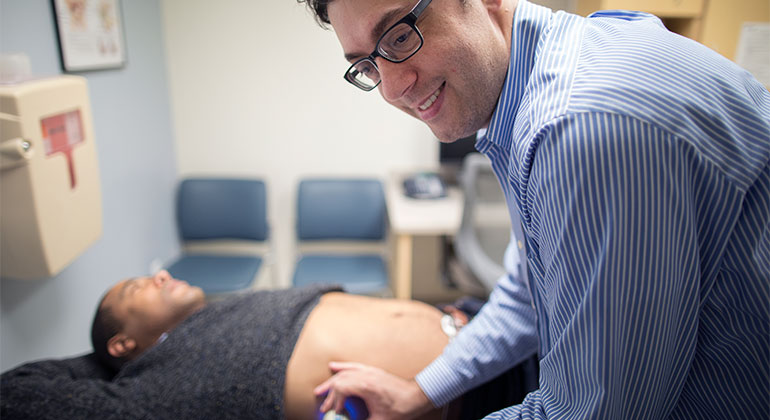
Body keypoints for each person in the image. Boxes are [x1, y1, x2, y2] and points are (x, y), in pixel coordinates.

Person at [297, 0, 770, 418]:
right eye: (367, 65)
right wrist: (416, 393)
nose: (393, 88)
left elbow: (591, 410)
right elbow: (527, 290)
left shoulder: (580, 128)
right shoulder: (535, 84)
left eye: (400, 34)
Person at [1, 270, 534, 420]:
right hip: (481, 395)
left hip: (482, 322)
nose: (158, 274)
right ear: (123, 343)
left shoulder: (220, 311)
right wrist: (102, 366)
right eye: (136, 288)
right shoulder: (152, 393)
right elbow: (17, 392)